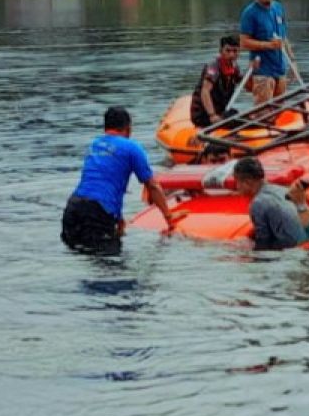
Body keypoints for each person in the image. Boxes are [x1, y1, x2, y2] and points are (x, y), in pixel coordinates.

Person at [62, 106, 179, 254]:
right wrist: (169, 218)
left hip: (73, 208)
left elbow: (102, 182)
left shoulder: (95, 144)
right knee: (111, 268)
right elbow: (152, 186)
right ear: (128, 129)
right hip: (97, 214)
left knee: (80, 255)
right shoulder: (132, 148)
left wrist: (118, 218)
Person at [233, 157, 307, 250]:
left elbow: (263, 245)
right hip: (307, 244)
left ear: (248, 182)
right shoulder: (284, 190)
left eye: (237, 182)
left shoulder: (258, 203)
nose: (237, 187)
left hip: (292, 252)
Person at [239, 0, 289, 104]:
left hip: (280, 68)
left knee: (281, 110)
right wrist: (268, 45)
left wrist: (292, 60)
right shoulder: (250, 13)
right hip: (262, 70)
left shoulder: (278, 8)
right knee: (264, 113)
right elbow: (244, 42)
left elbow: (284, 37)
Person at [190, 35, 243, 128]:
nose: (231, 55)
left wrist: (254, 70)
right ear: (221, 51)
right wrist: (212, 115)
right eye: (228, 51)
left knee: (239, 116)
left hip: (221, 111)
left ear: (239, 52)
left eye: (235, 51)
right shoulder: (213, 68)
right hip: (204, 114)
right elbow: (205, 91)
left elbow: (247, 85)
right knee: (233, 120)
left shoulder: (235, 68)